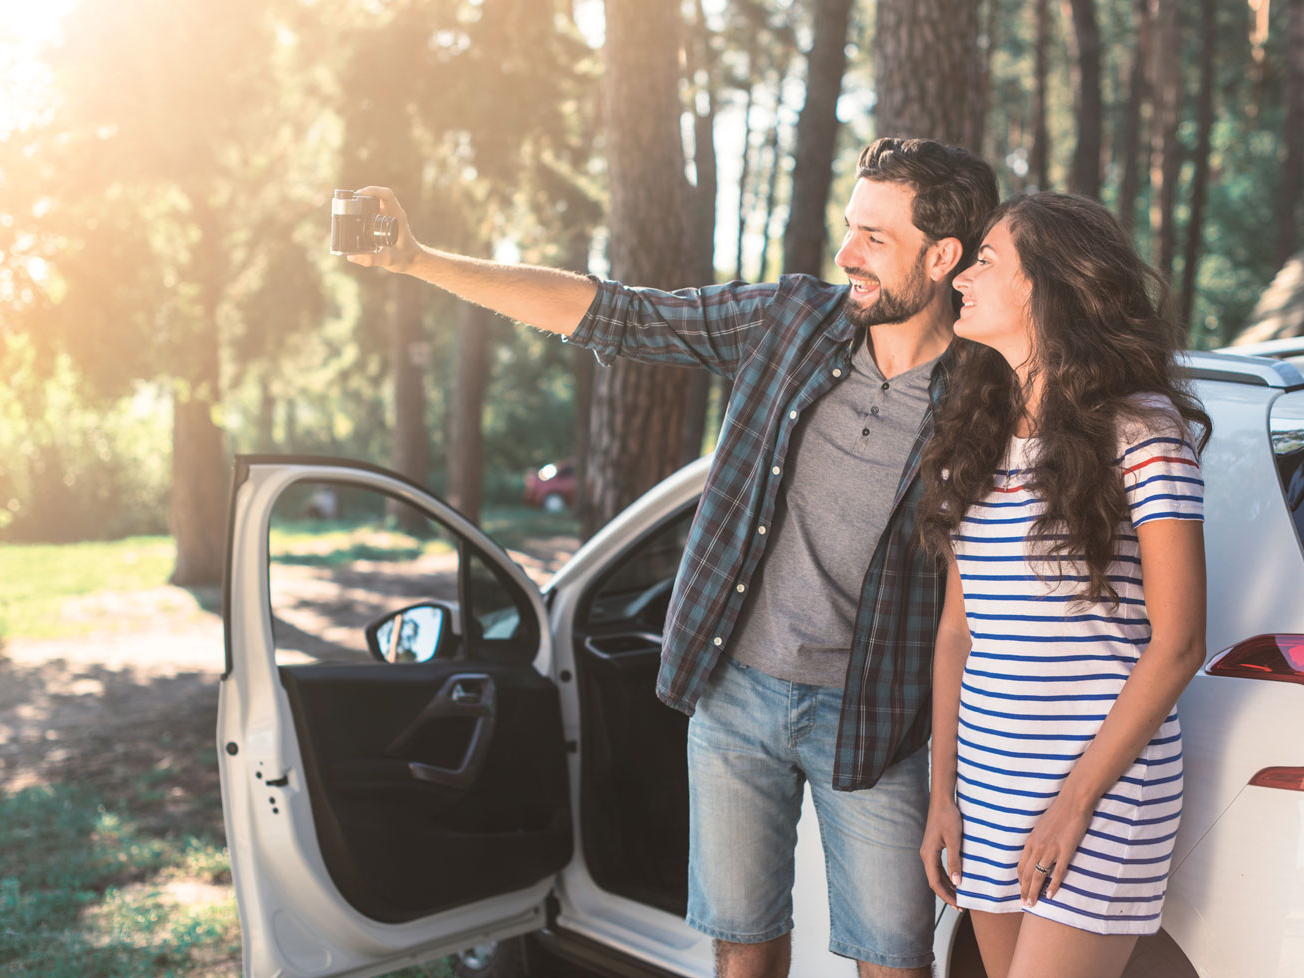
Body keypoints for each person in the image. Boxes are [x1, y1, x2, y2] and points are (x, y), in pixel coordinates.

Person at [347, 136, 999, 978]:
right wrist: (419, 260)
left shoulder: (988, 394)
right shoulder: (790, 322)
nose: (846, 254)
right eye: (849, 227)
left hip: (878, 720)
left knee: (895, 961)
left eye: (874, 238)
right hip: (735, 698)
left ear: (942, 257)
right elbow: (613, 313)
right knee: (742, 949)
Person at [916, 192, 1211, 978]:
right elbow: (958, 634)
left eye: (986, 260)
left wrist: (1074, 804)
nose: (961, 276)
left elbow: (1180, 644)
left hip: (1101, 791)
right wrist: (943, 795)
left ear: (1045, 284)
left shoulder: (1141, 431)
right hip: (986, 784)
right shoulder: (973, 439)